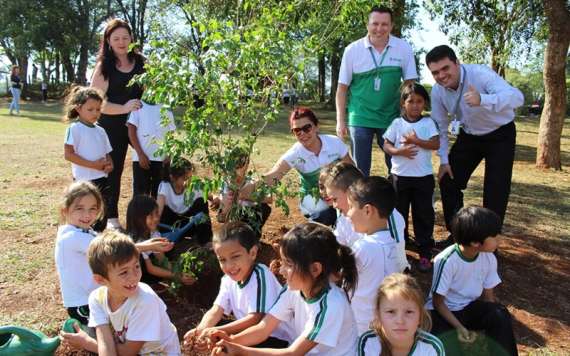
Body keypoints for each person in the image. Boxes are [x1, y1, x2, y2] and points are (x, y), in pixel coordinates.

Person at [209, 222, 359, 355]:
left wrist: (240, 351)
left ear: (315, 269)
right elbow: (263, 329)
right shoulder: (293, 289)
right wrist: (230, 341)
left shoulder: (331, 306)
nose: (281, 271)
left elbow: (292, 353)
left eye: (288, 264)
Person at [426, 45, 524, 246]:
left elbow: (517, 97)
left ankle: (489, 243)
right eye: (435, 72)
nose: (442, 76)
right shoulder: (437, 91)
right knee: (448, 179)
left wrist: (483, 99)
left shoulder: (480, 74)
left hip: (501, 134)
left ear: (457, 63)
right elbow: (441, 127)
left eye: (446, 68)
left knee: (496, 190)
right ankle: (458, 236)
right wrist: (444, 160)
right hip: (469, 135)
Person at [61, 230, 181, 354]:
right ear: (100, 279)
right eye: (124, 272)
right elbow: (106, 343)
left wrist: (88, 343)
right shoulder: (97, 299)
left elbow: (128, 352)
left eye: (137, 266)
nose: (134, 276)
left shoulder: (145, 300)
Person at [184, 222, 291, 352]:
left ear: (252, 253)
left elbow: (256, 319)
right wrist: (199, 331)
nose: (229, 266)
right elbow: (216, 310)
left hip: (278, 340)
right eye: (222, 260)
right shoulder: (227, 280)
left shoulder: (260, 275)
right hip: (254, 334)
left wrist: (216, 332)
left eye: (235, 257)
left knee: (220, 336)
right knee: (215, 327)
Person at [336, 5, 418, 176]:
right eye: (375, 24)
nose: (379, 29)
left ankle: (395, 201)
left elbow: (410, 86)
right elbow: (342, 89)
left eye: (384, 24)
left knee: (396, 165)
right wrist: (340, 121)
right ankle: (362, 201)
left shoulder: (403, 48)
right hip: (360, 117)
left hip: (391, 117)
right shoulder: (352, 50)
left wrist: (408, 118)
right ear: (367, 25)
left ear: (391, 26)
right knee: (360, 169)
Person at [426, 207, 518, 356]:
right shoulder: (446, 261)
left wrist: (492, 319)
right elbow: (438, 303)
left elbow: (489, 298)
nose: (499, 239)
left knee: (499, 313)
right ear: (475, 242)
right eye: (494, 236)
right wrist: (459, 327)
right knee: (448, 349)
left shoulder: (488, 258)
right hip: (442, 314)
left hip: (468, 308)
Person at [248, 107, 352, 226]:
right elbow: (272, 176)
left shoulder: (334, 143)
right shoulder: (294, 154)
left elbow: (352, 170)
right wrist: (241, 189)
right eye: (297, 130)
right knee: (327, 214)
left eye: (307, 128)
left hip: (338, 192)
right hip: (313, 195)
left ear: (316, 126)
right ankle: (309, 230)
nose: (302, 134)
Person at [91, 18, 145, 229]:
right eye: (116, 38)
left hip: (139, 124)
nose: (122, 42)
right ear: (108, 41)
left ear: (131, 39)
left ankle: (143, 216)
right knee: (114, 171)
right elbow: (96, 102)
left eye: (125, 37)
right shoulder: (104, 67)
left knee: (150, 163)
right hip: (111, 126)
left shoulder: (142, 63)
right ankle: (111, 218)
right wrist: (124, 107)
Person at [383, 83, 439, 272]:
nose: (415, 105)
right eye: (411, 101)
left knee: (423, 214)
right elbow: (386, 145)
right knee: (399, 215)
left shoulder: (428, 123)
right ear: (403, 103)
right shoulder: (397, 124)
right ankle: (401, 249)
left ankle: (424, 252)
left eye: (419, 101)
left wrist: (416, 141)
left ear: (425, 103)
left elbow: (435, 143)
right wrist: (399, 151)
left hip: (423, 178)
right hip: (400, 178)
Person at [346, 176, 409, 333]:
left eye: (351, 207)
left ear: (367, 210)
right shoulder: (391, 243)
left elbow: (341, 279)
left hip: (360, 328)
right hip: (383, 328)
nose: (348, 214)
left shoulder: (364, 247)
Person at [63, 86, 113, 232]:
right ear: (78, 109)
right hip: (84, 182)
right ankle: (83, 241)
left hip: (102, 179)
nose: (95, 113)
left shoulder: (101, 130)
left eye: (98, 109)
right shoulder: (74, 129)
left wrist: (110, 164)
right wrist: (93, 165)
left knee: (101, 214)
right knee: (84, 214)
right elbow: (69, 154)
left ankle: (96, 244)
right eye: (90, 109)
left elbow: (107, 153)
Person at [357, 273, 445, 355]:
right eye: (391, 312)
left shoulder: (431, 348)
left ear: (420, 316)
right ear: (378, 315)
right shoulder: (368, 342)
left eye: (409, 312)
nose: (400, 321)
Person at [55, 181, 104, 328]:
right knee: (103, 334)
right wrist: (144, 246)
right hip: (81, 303)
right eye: (79, 208)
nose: (87, 215)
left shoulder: (83, 230)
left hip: (92, 297)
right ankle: (78, 334)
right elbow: (109, 248)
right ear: (65, 210)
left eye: (92, 209)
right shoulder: (71, 237)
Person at [126, 195, 195, 286]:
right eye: (151, 216)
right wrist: (176, 276)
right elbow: (150, 269)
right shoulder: (135, 240)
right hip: (143, 277)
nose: (156, 218)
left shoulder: (153, 233)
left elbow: (161, 258)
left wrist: (179, 272)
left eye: (156, 213)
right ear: (139, 219)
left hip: (153, 270)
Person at [214, 150, 272, 238]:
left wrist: (248, 197)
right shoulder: (226, 182)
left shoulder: (251, 182)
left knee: (264, 208)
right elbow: (221, 215)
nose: (242, 167)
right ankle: (231, 235)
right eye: (238, 164)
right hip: (233, 219)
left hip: (250, 217)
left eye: (244, 163)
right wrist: (226, 204)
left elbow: (269, 198)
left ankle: (253, 237)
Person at [127, 94, 175, 198]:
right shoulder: (138, 105)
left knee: (159, 196)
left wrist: (169, 154)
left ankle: (157, 215)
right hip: (141, 160)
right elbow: (131, 130)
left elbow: (171, 133)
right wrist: (140, 154)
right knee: (140, 197)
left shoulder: (167, 108)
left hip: (162, 161)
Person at [157, 158, 213, 246]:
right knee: (165, 213)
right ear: (172, 177)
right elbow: (158, 213)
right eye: (185, 178)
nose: (189, 181)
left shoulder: (192, 185)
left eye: (190, 177)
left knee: (201, 201)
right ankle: (171, 238)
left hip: (189, 225)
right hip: (172, 226)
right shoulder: (165, 187)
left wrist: (217, 200)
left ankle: (205, 240)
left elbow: (209, 196)